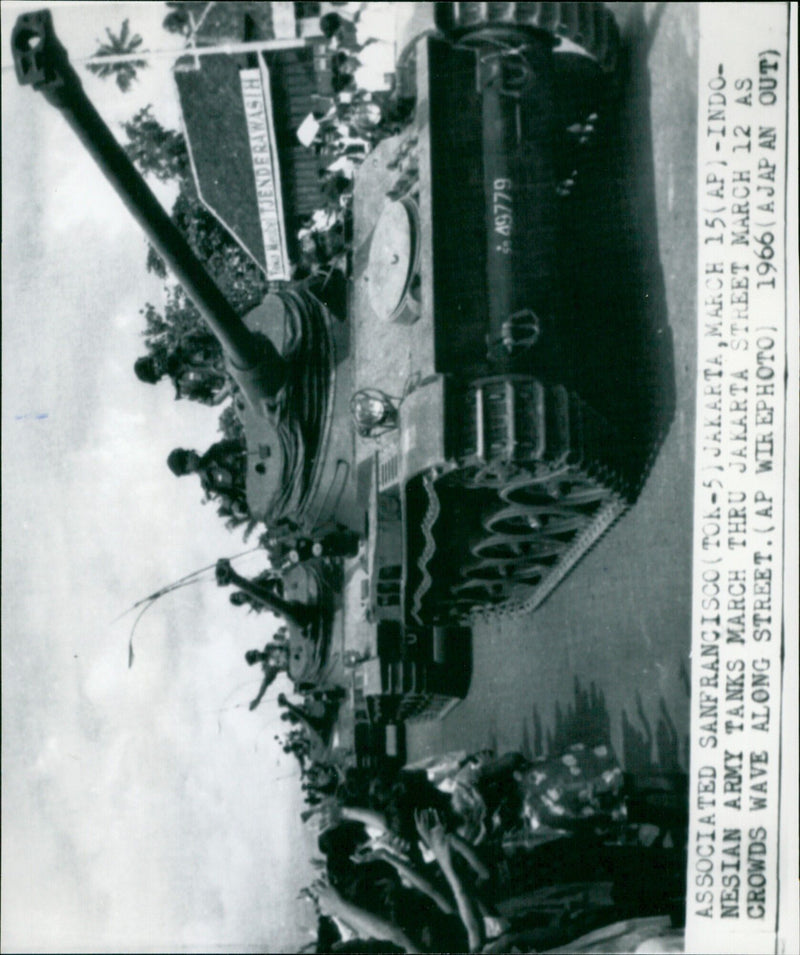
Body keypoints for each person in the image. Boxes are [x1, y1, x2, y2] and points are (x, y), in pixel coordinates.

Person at [166, 439, 248, 514]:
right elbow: (225, 499)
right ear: (187, 470)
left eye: (187, 453)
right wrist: (237, 506)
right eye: (186, 458)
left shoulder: (215, 450)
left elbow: (243, 442)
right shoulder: (208, 485)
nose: (190, 453)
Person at [245, 642, 290, 711]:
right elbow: (265, 683)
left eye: (255, 652)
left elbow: (284, 642)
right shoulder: (267, 668)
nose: (257, 654)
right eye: (255, 657)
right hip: (294, 666)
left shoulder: (269, 647)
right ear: (255, 662)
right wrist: (258, 699)